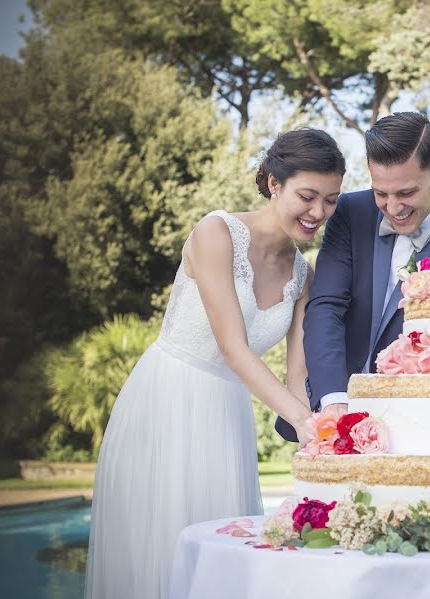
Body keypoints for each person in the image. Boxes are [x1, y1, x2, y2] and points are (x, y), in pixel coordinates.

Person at [85, 128, 345, 599]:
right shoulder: (216, 232)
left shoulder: (304, 273)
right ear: (273, 183)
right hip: (166, 399)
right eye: (308, 196)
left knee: (218, 555)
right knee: (159, 548)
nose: (318, 213)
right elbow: (232, 346)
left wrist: (323, 428)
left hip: (227, 413)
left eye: (330, 201)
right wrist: (303, 419)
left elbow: (298, 372)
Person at [275, 112, 430, 441]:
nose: (392, 207)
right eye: (381, 193)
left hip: (408, 426)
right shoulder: (349, 212)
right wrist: (333, 400)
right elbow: (326, 306)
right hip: (328, 410)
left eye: (406, 193)